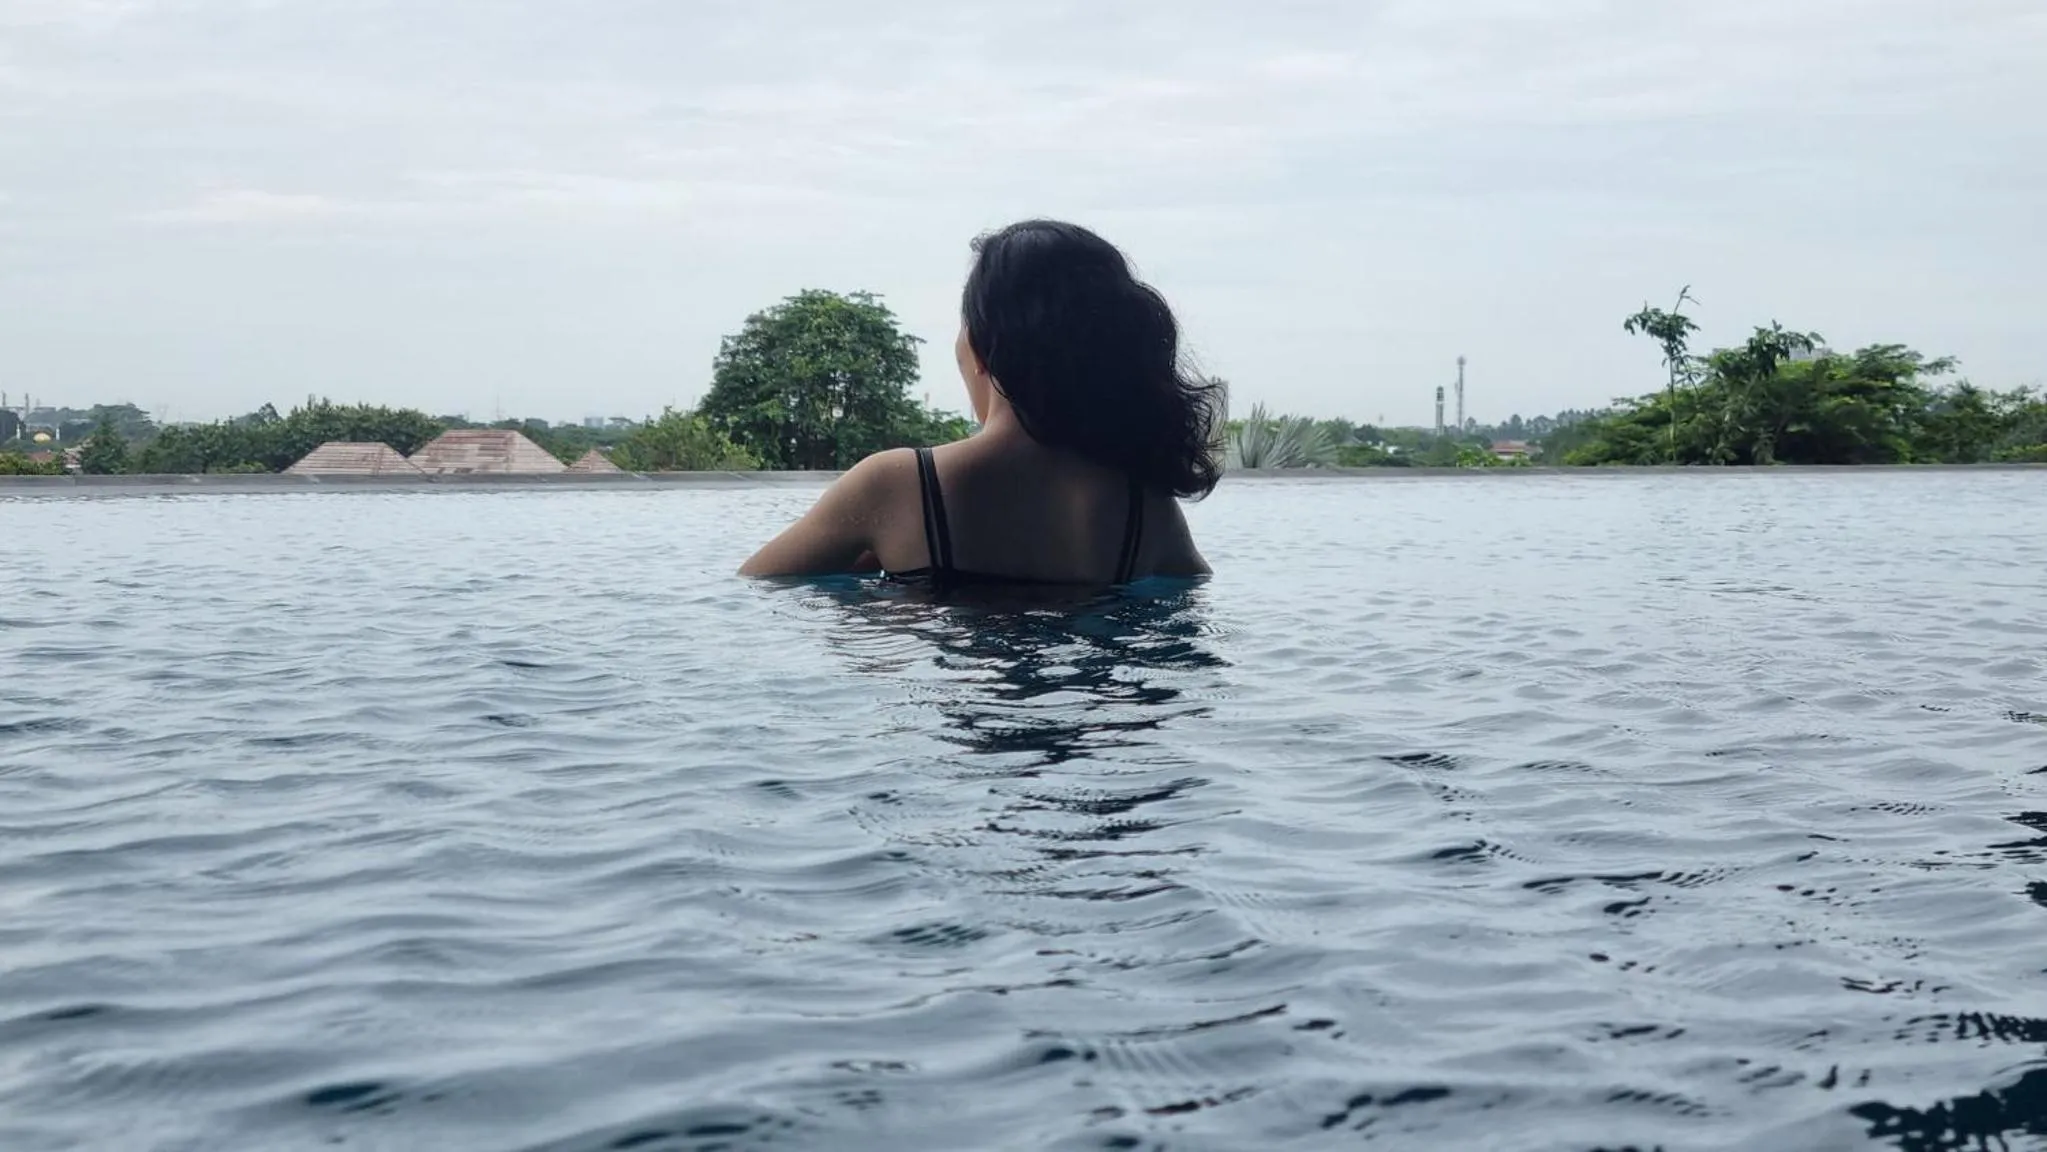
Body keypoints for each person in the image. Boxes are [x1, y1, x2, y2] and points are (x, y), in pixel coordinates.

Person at [739, 220, 1219, 587]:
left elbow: (756, 587)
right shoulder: (1144, 507)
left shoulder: (897, 485)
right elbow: (1194, 587)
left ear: (983, 350)